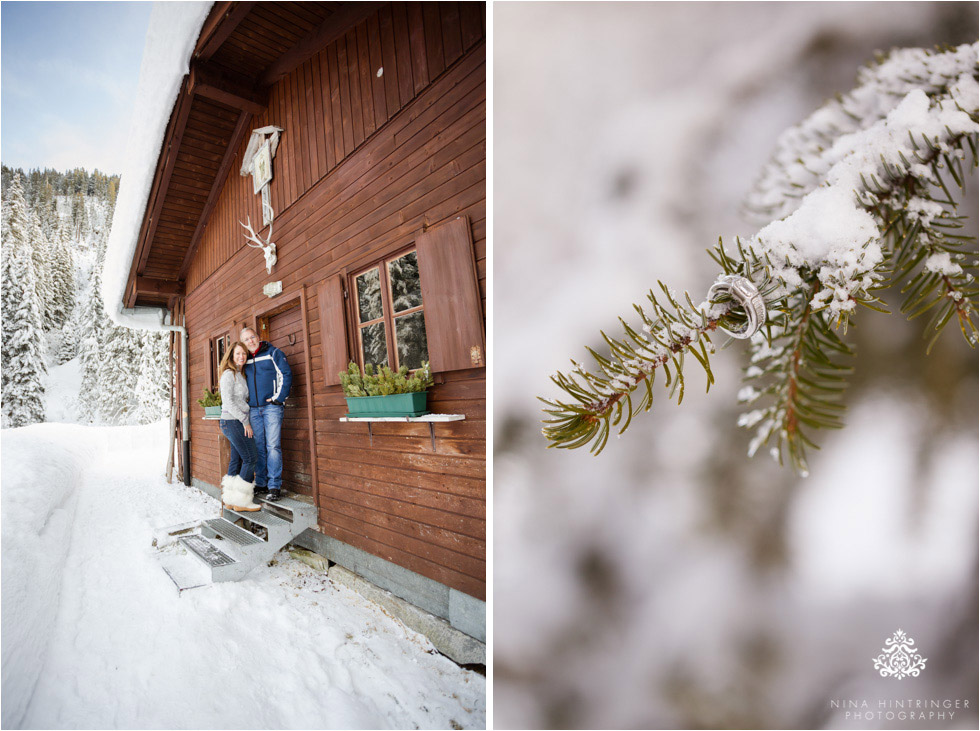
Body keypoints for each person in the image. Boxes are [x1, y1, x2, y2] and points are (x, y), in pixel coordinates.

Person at [240, 326, 292, 501]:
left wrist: (278, 398)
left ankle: (274, 486)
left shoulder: (273, 353)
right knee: (259, 447)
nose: (250, 341)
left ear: (258, 337)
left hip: (271, 408)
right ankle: (261, 483)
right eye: (246, 339)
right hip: (253, 410)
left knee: (273, 446)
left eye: (252, 337)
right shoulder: (244, 359)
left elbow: (286, 374)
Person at [218, 341, 261, 512]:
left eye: (244, 354)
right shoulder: (229, 374)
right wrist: (245, 421)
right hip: (233, 421)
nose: (241, 356)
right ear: (231, 356)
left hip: (234, 421)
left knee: (236, 459)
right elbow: (228, 401)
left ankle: (230, 499)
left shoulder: (240, 374)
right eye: (238, 354)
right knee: (251, 457)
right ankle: (242, 501)